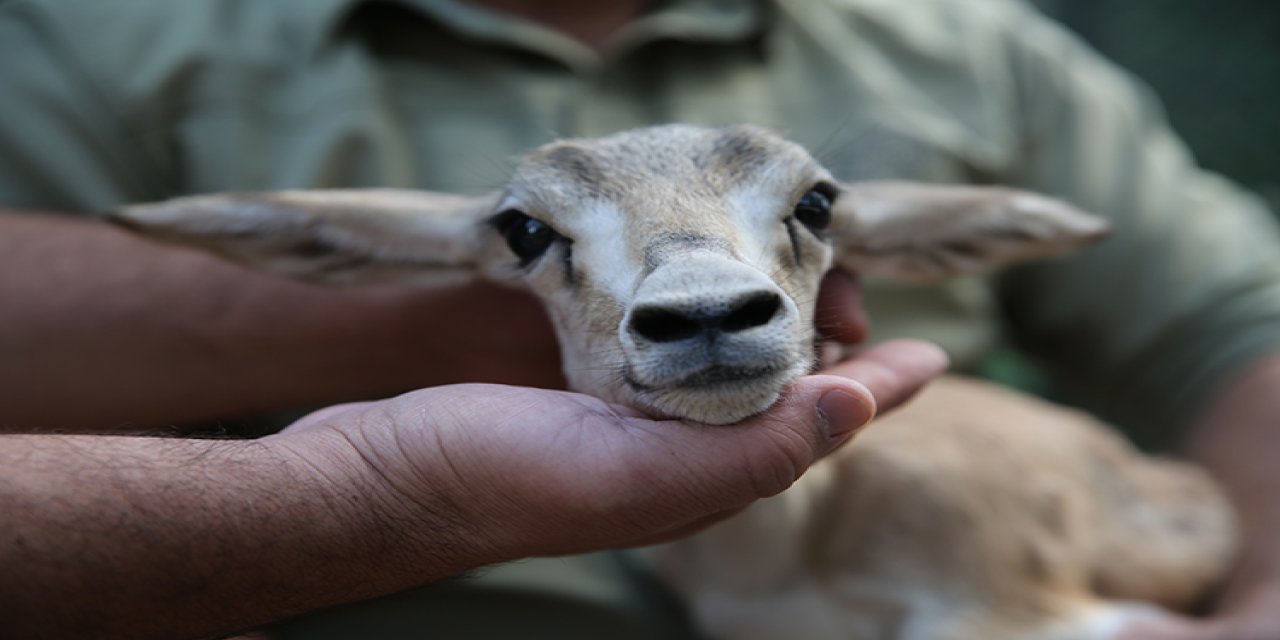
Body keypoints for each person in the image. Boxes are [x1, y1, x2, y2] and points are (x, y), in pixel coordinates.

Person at [0, 1, 1276, 639]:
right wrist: (396, 439)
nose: (698, 296)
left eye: (810, 206)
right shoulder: (96, 32)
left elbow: (1235, 321)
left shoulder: (964, 37)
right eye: (529, 231)